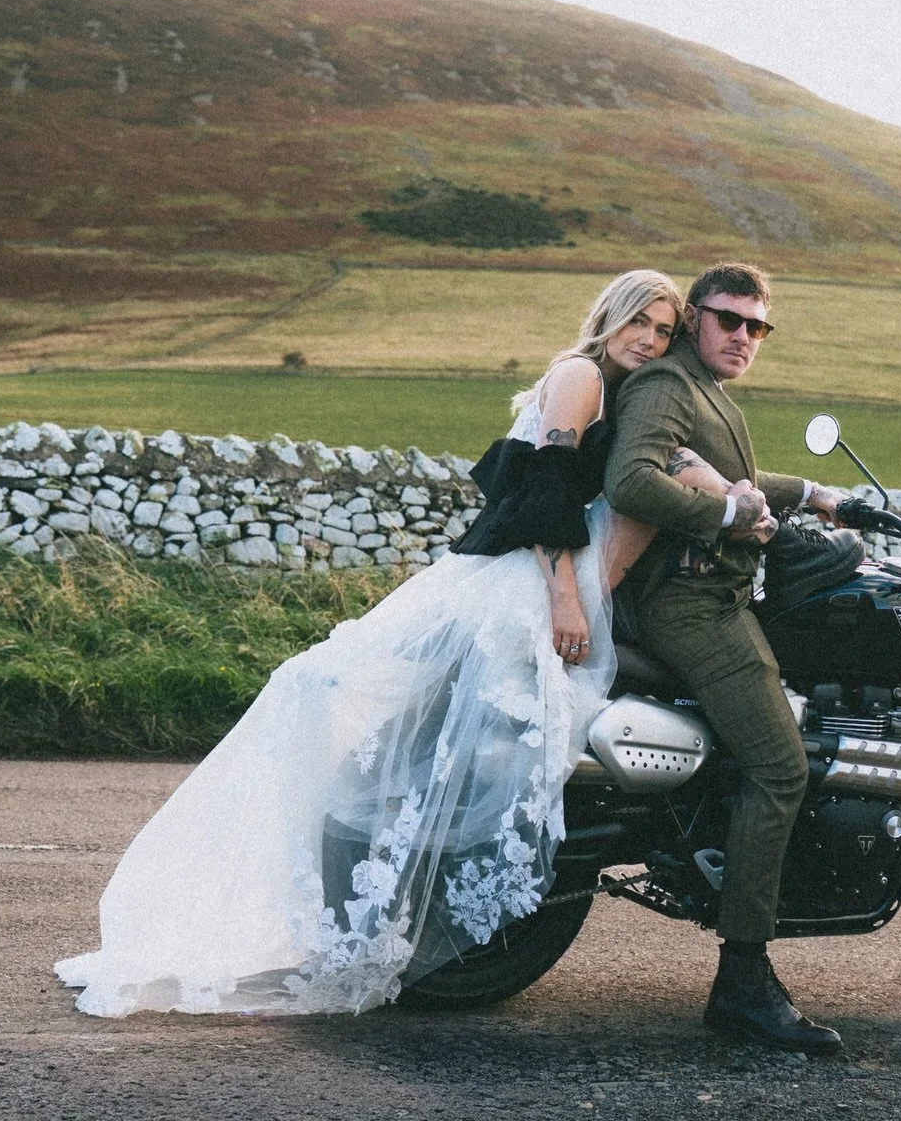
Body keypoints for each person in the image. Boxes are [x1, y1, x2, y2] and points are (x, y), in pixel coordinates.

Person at [56, 268, 728, 1018]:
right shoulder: (580, 378)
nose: (651, 339)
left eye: (666, 331)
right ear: (610, 316)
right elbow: (540, 495)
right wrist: (566, 603)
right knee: (477, 743)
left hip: (527, 577)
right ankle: (403, 902)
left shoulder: (605, 386)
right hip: (526, 585)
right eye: (641, 321)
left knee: (456, 737)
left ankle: (390, 904)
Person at [604, 262, 856, 1054]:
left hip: (714, 595)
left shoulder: (704, 389)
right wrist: (723, 513)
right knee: (781, 768)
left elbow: (738, 476)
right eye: (728, 320)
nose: (744, 337)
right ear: (694, 320)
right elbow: (631, 480)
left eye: (757, 326)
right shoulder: (666, 387)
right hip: (692, 603)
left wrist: (817, 493)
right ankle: (743, 982)